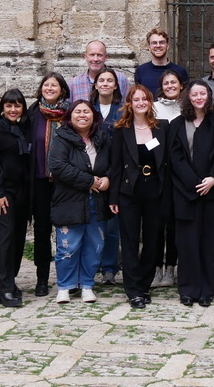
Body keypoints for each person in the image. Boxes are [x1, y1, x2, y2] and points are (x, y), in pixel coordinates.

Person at [168, 80, 214, 306]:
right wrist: (194, 183)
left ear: (208, 96)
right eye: (194, 94)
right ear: (188, 97)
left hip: (211, 192)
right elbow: (175, 158)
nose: (198, 97)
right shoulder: (177, 124)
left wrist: (213, 179)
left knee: (208, 242)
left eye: (202, 94)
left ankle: (206, 290)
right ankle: (187, 289)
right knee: (186, 244)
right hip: (184, 193)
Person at [108, 84, 169, 309]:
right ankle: (132, 289)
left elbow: (167, 164)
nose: (141, 103)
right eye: (136, 99)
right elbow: (115, 167)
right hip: (129, 192)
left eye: (145, 99)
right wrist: (113, 198)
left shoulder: (162, 128)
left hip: (155, 191)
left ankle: (144, 285)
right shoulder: (121, 130)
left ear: (150, 102)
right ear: (130, 104)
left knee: (153, 241)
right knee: (130, 241)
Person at [49, 100, 113, 304]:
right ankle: (65, 286)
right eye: (78, 112)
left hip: (98, 201)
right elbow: (58, 166)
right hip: (69, 201)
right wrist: (90, 181)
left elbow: (114, 163)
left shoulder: (102, 138)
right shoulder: (61, 138)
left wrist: (108, 178)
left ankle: (87, 284)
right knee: (68, 246)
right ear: (70, 116)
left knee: (94, 245)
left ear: (94, 116)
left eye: (87, 111)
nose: (82, 115)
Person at [0, 88, 33, 307]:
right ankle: (2, 288)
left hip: (21, 192)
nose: (13, 109)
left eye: (17, 105)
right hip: (1, 193)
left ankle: (7, 281)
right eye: (9, 105)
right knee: (2, 239)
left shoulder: (23, 128)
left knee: (17, 238)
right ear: (2, 108)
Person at [28, 73, 71, 296]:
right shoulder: (33, 113)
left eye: (54, 85)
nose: (49, 88)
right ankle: (42, 278)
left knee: (67, 231)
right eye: (46, 84)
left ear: (62, 89)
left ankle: (69, 278)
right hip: (40, 181)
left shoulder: (70, 114)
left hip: (65, 183)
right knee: (42, 231)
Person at [151, 68, 186, 288]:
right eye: (166, 83)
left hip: (180, 173)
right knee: (156, 223)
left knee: (174, 223)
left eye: (174, 82)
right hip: (156, 171)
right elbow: (148, 136)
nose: (170, 86)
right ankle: (155, 267)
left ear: (181, 85)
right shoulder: (154, 107)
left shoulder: (187, 107)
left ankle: (171, 267)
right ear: (161, 86)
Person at [91, 68, 124, 286]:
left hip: (116, 174)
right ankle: (92, 266)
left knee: (113, 226)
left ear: (115, 85)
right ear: (95, 85)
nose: (105, 83)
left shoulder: (121, 112)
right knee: (93, 225)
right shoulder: (87, 110)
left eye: (109, 80)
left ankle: (110, 269)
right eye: (101, 80)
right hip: (92, 176)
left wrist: (112, 176)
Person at [135, 28, 188, 94]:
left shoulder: (180, 71)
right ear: (149, 47)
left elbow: (185, 98)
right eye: (154, 43)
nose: (158, 45)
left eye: (162, 42)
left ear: (167, 46)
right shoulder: (141, 71)